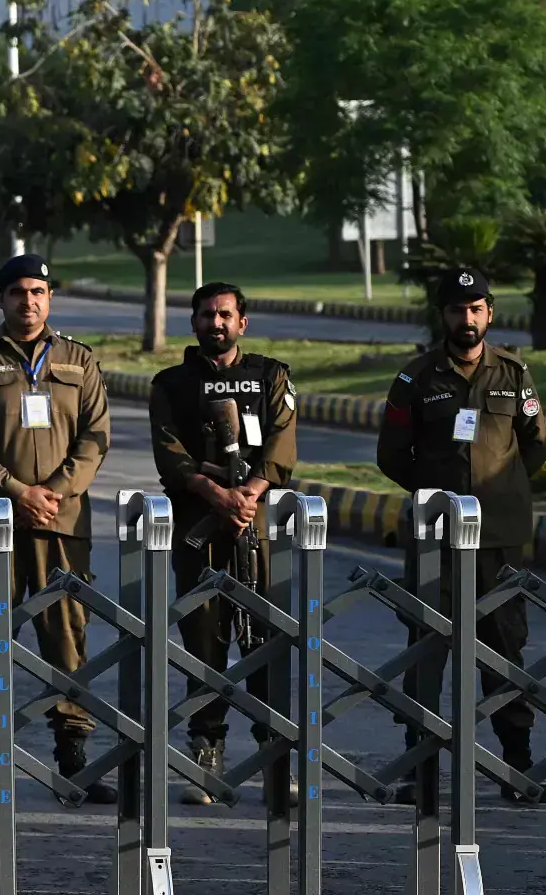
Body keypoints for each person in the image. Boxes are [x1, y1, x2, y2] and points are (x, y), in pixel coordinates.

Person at [375, 266, 546, 805]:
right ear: (444, 315)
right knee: (428, 648)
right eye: (457, 309)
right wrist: (435, 494)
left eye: (476, 309)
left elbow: (536, 444)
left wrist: (501, 493)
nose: (467, 318)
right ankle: (418, 765)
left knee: (504, 648)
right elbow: (391, 455)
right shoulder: (415, 379)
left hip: (498, 538)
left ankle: (517, 767)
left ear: (489, 313)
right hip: (437, 542)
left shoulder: (514, 375)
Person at [0, 253, 115, 806]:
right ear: (1, 299)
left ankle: (73, 760)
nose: (29, 301)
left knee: (67, 636)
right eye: (18, 291)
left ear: (50, 297)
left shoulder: (78, 359)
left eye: (39, 291)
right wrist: (16, 491)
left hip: (62, 523)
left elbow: (95, 436)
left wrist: (56, 492)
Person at [148, 282, 299, 806]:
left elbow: (282, 443)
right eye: (207, 314)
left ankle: (276, 754)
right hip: (199, 528)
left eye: (226, 315)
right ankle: (205, 752)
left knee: (265, 640)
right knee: (204, 641)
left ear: (243, 323)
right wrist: (215, 494)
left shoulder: (271, 375)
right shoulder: (171, 383)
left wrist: (249, 494)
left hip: (256, 526)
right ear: (193, 322)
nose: (216, 323)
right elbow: (169, 453)